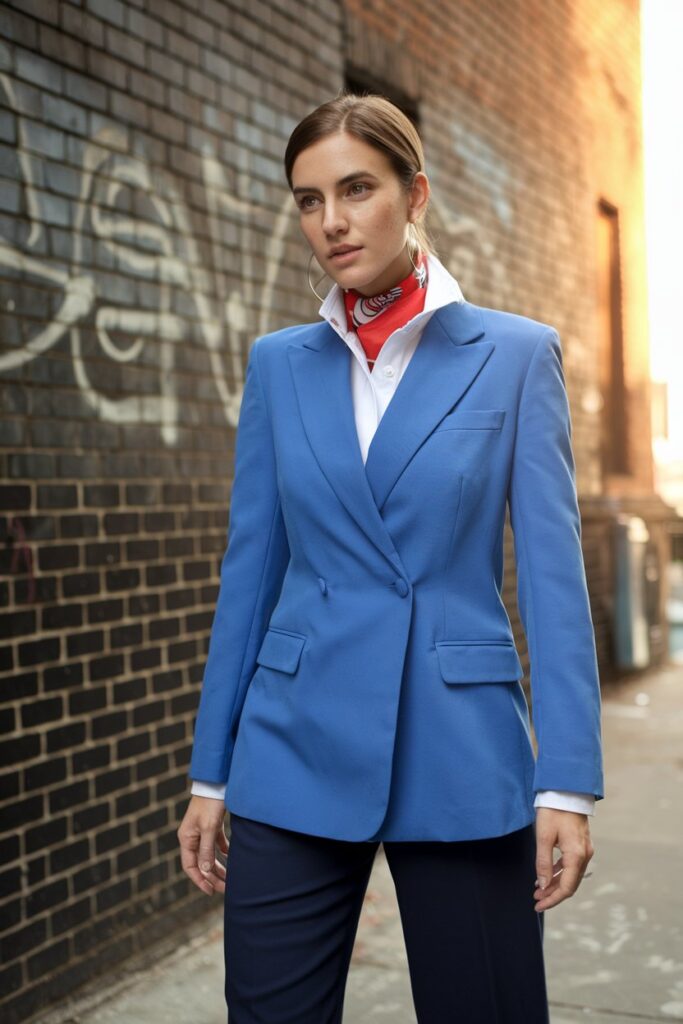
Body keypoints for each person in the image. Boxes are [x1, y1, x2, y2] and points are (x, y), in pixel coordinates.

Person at [177, 92, 603, 1023]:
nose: (330, 221)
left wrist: (566, 781)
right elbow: (249, 577)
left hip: (458, 746)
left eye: (356, 189)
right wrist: (212, 771)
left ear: (415, 195)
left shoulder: (514, 355)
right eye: (306, 199)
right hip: (292, 740)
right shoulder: (279, 365)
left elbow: (554, 583)